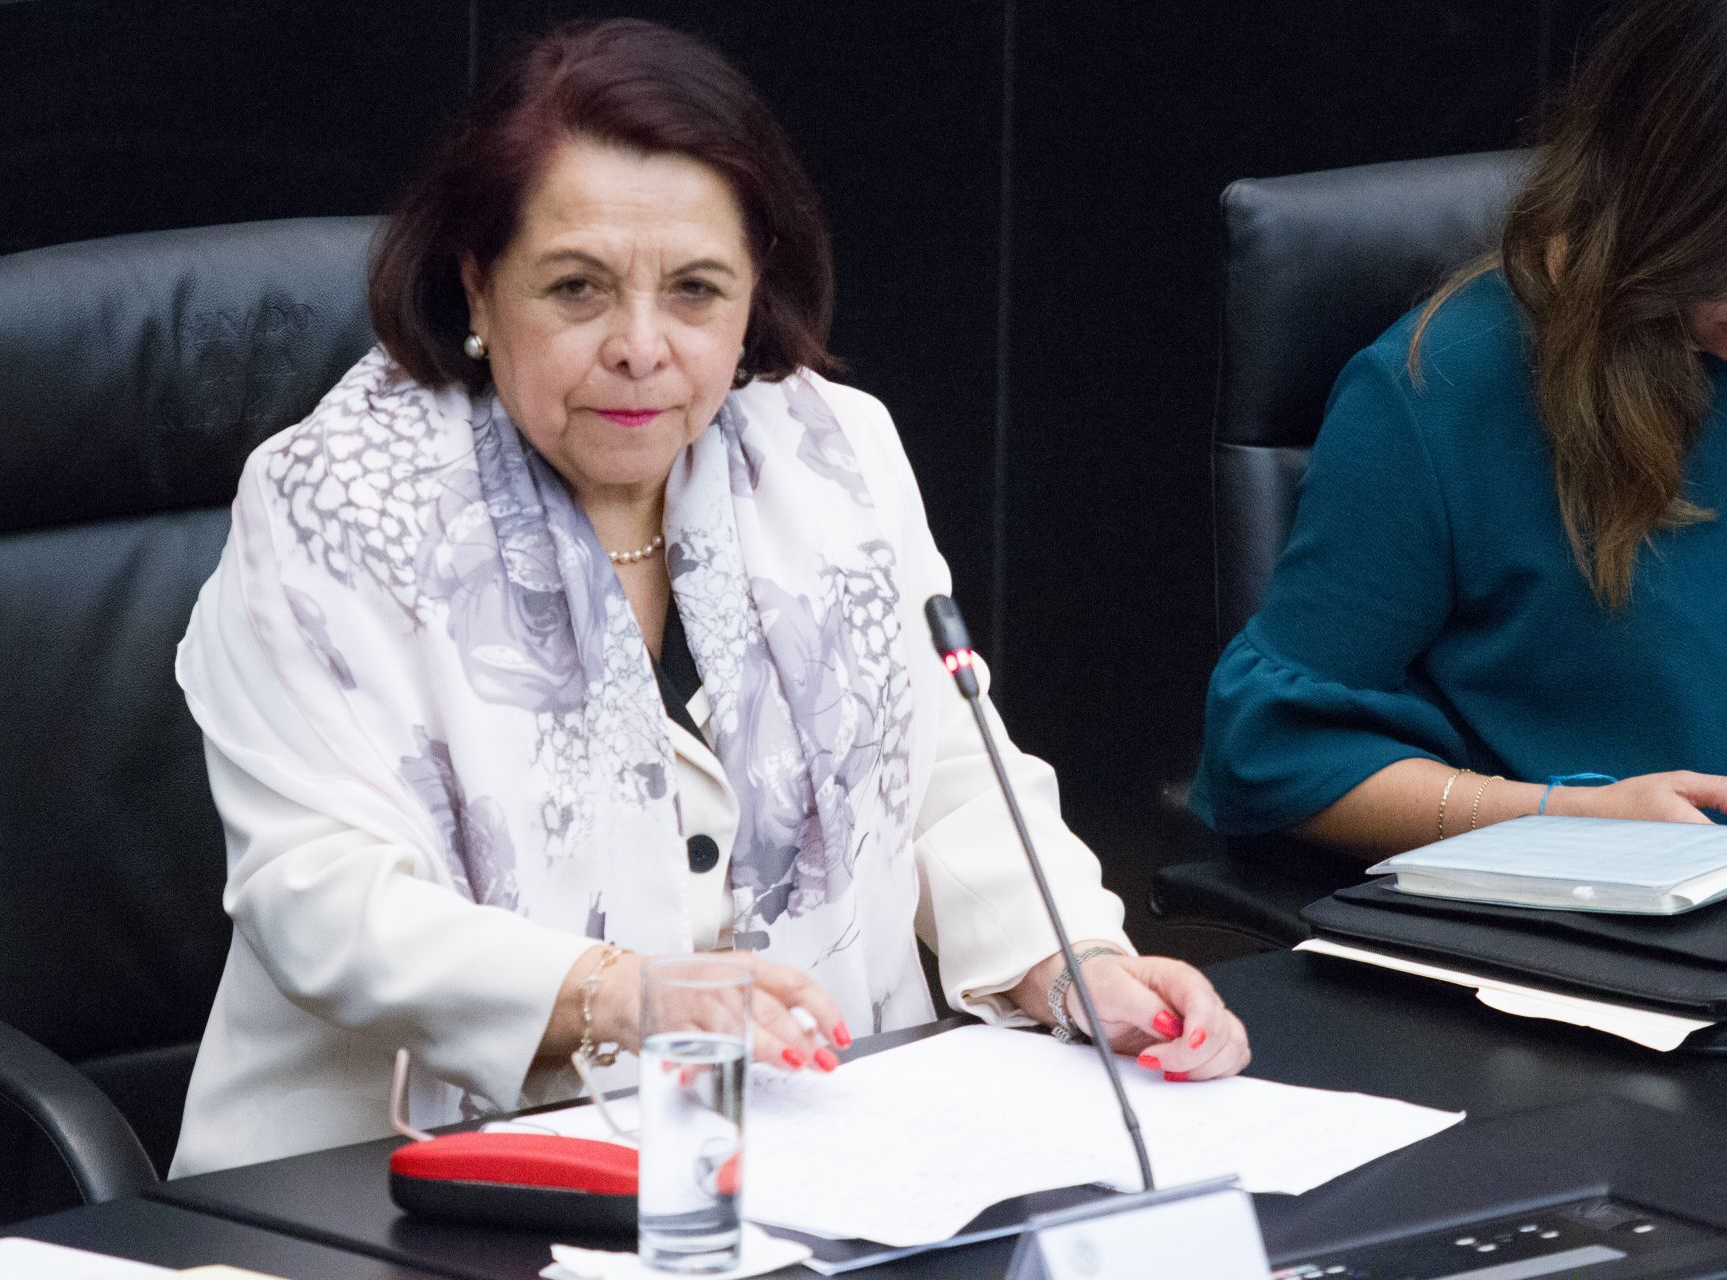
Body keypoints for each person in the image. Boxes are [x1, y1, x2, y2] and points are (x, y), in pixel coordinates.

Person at [170, 18, 1246, 1177]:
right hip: (382, 1182)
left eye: (695, 291)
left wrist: (1074, 959)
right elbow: (318, 896)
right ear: (478, 285)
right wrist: (619, 995)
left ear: (752, 299)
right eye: (577, 288)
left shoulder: (834, 454)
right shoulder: (333, 506)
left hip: (796, 1153)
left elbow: (937, 766)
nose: (642, 346)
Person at [1193, 0, 1727, 858]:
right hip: (1616, 940)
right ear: (1642, 188)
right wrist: (1558, 819)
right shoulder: (1447, 386)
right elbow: (1267, 751)